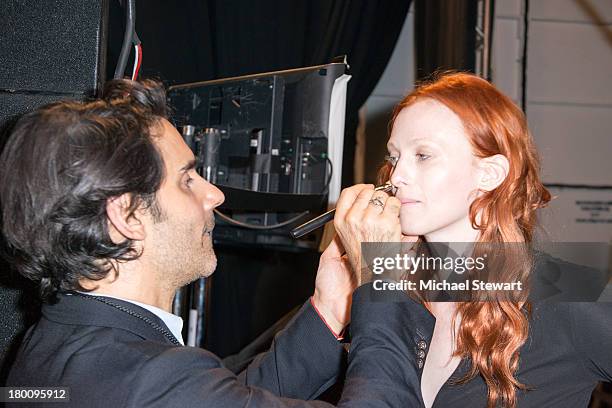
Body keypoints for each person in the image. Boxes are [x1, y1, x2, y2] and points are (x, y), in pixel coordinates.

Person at [0, 79, 430, 407]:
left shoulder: (56, 344)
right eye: (187, 180)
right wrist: (383, 276)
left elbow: (232, 396)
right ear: (127, 216)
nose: (214, 195)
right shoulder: (149, 379)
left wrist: (330, 307)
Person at [333, 73, 612, 408]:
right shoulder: (392, 284)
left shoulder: (567, 288)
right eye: (394, 157)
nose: (396, 176)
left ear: (489, 174)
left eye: (423, 155)